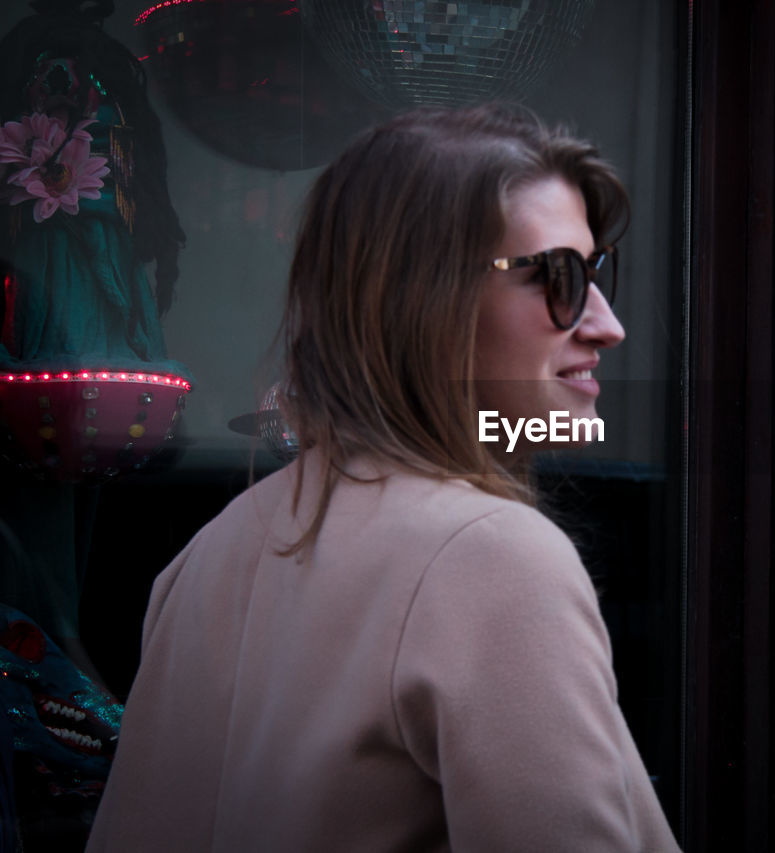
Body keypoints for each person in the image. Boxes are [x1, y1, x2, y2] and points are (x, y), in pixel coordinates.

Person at [85, 104, 681, 852]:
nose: (605, 322)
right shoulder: (496, 558)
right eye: (559, 276)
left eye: (596, 271)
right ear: (424, 299)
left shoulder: (209, 554)